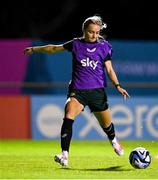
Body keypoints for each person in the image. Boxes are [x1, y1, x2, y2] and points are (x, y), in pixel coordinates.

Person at [24, 15, 130, 166]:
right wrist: (35, 49)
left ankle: (113, 141)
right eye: (91, 32)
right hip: (77, 91)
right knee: (68, 114)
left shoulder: (104, 46)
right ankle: (64, 155)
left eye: (96, 32)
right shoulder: (76, 44)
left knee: (106, 125)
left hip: (97, 92)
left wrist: (118, 86)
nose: (94, 35)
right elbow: (54, 48)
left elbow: (110, 69)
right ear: (84, 31)